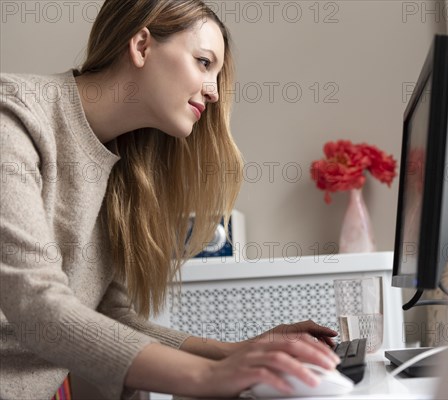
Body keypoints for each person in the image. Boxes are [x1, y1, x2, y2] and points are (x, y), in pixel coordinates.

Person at [0, 1, 340, 398]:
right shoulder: (14, 119)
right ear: (142, 46)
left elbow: (109, 318)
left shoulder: (124, 171)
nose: (213, 92)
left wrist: (235, 353)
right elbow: (36, 306)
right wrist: (208, 379)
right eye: (203, 61)